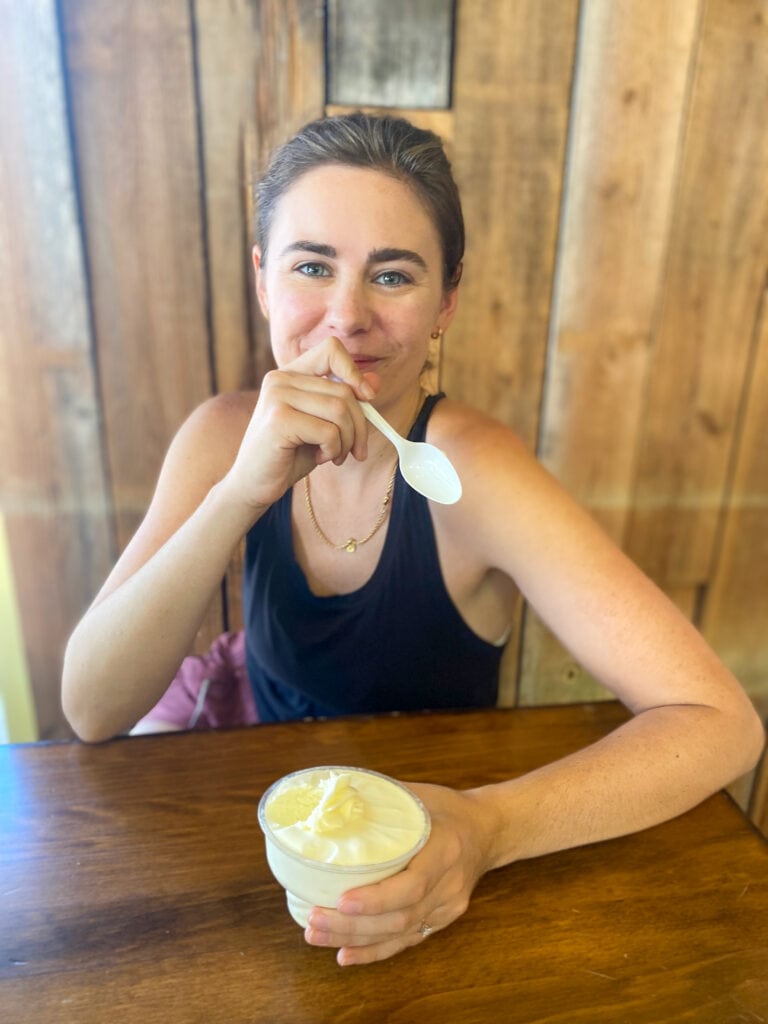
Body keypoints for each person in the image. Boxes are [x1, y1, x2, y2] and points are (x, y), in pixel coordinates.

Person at [62, 112, 764, 966]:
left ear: (447, 302)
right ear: (262, 281)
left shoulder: (475, 473)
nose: (345, 318)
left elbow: (722, 722)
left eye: (391, 276)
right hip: (263, 824)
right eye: (312, 266)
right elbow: (91, 708)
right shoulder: (220, 439)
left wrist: (489, 827)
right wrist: (239, 493)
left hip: (427, 852)